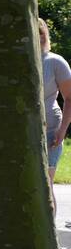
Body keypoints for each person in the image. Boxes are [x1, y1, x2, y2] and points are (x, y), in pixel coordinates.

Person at [40, 19, 71, 212]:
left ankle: (50, 237)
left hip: (50, 130)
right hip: (21, 133)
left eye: (41, 32)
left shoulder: (55, 62)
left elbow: (70, 97)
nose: (39, 37)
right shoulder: (16, 63)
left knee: (46, 183)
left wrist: (62, 131)